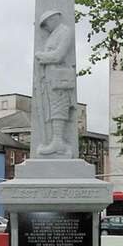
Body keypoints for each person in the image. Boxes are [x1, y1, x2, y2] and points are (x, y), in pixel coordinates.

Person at [35, 10, 75, 156]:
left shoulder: (65, 31)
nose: (46, 28)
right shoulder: (54, 34)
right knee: (52, 109)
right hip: (49, 79)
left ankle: (58, 143)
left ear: (53, 19)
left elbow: (59, 55)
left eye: (46, 24)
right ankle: (56, 142)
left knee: (59, 108)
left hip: (59, 78)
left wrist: (41, 56)